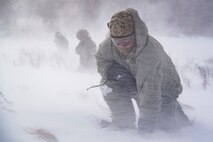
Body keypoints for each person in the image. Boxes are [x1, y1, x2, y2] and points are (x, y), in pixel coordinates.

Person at [95, 8, 189, 135]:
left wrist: (145, 131)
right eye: (117, 42)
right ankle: (123, 125)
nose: (121, 46)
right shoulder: (110, 44)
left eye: (126, 42)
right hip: (136, 80)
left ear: (135, 35)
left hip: (163, 90)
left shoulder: (149, 53)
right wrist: (111, 71)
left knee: (164, 126)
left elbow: (150, 94)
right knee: (109, 84)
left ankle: (176, 113)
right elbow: (101, 59)